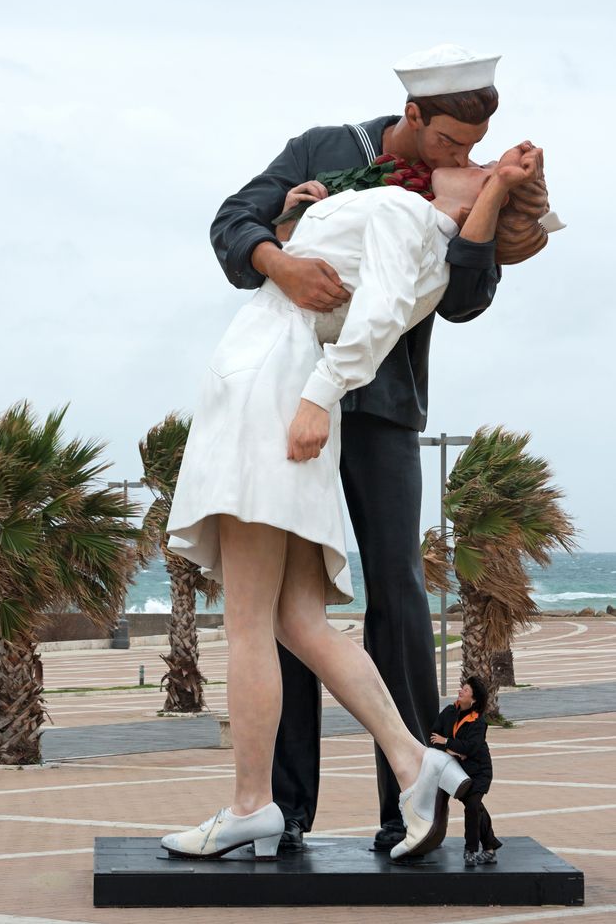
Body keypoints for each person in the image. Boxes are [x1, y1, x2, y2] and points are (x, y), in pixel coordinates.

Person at [161, 141, 552, 863]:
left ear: (473, 205)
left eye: (477, 166)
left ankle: (252, 805)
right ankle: (414, 762)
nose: (469, 156)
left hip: (271, 385)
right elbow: (360, 296)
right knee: (297, 618)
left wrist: (316, 397)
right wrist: (296, 223)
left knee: (249, 619)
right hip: (289, 383)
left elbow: (371, 318)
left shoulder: (410, 214)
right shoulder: (419, 234)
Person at [209, 43, 511, 851]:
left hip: (379, 408)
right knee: (284, 605)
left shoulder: (457, 192)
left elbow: (466, 300)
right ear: (411, 117)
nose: (462, 157)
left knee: (397, 592)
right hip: (291, 393)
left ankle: (407, 806)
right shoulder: (322, 146)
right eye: (449, 143)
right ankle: (283, 812)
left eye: (472, 148)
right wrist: (279, 260)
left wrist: (484, 216)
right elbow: (232, 220)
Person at [430, 676, 502, 867]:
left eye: (467, 690)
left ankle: (470, 850)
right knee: (476, 807)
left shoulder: (478, 721)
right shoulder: (449, 711)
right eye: (463, 687)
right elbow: (433, 737)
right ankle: (490, 849)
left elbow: (472, 747)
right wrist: (453, 750)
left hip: (479, 771)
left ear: (474, 699)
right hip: (458, 771)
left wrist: (447, 743)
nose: (461, 690)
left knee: (472, 806)